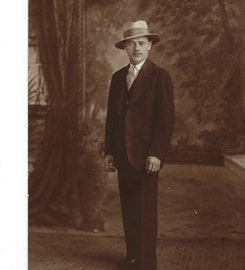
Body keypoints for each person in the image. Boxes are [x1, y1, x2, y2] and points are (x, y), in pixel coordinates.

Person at [104, 20, 175, 270]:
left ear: (150, 47)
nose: (137, 48)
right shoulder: (117, 77)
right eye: (132, 44)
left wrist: (156, 153)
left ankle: (146, 263)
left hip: (146, 156)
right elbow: (112, 119)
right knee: (129, 208)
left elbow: (165, 120)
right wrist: (109, 151)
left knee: (145, 211)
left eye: (141, 43)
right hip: (123, 154)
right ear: (125, 48)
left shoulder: (159, 76)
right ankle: (133, 256)